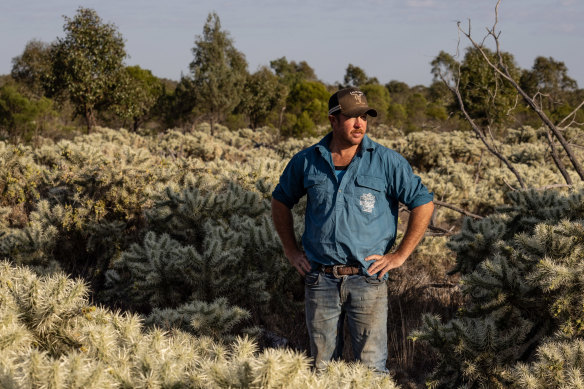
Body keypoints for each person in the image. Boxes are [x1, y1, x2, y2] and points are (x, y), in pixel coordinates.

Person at [270, 86, 434, 372]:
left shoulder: (387, 161)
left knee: (370, 369)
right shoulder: (307, 160)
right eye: (352, 117)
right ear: (333, 120)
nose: (360, 124)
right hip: (320, 279)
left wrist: (400, 255)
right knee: (322, 369)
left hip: (368, 278)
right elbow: (280, 201)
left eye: (364, 117)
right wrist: (291, 250)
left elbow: (423, 203)